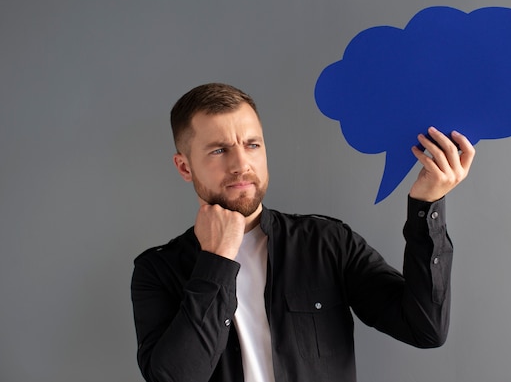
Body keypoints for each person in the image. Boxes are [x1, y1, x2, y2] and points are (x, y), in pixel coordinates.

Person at [131, 82, 475, 382]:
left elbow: (425, 329)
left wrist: (426, 205)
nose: (241, 164)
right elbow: (175, 376)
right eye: (219, 150)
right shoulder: (157, 271)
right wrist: (215, 261)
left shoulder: (327, 243)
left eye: (252, 144)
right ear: (184, 167)